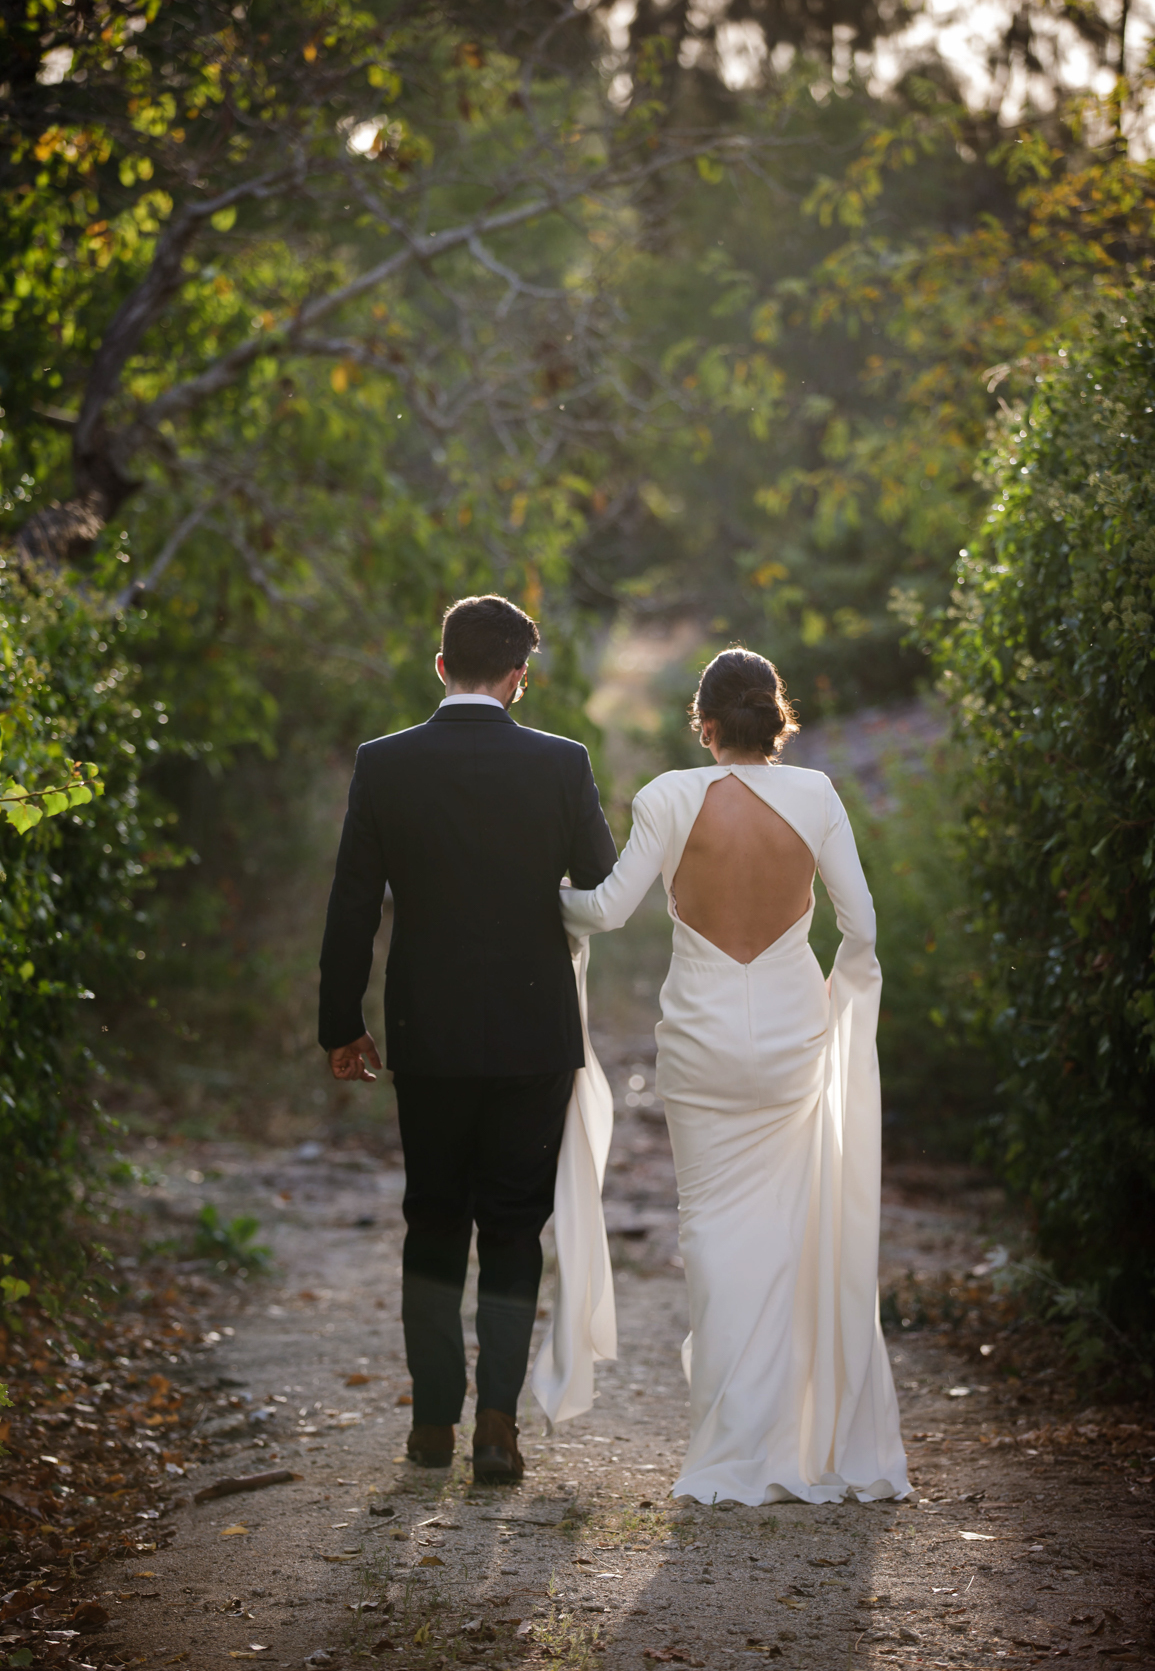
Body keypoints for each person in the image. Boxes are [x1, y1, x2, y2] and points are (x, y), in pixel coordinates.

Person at [560, 648, 910, 1506]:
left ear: (704, 723)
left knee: (712, 1230)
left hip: (702, 1043)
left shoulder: (668, 796)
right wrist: (835, 1006)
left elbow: (604, 911)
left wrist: (544, 893)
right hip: (793, 1037)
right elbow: (861, 927)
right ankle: (792, 1433)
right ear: (775, 721)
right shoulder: (816, 795)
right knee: (790, 1231)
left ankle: (729, 1443)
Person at [318, 595, 617, 1484]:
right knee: (516, 1227)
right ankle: (496, 1426)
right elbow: (598, 880)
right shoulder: (562, 762)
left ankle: (430, 1426)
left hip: (429, 1028)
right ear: (519, 677)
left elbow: (351, 905)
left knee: (434, 1218)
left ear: (441, 665)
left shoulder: (384, 763)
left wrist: (342, 1023)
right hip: (534, 1030)